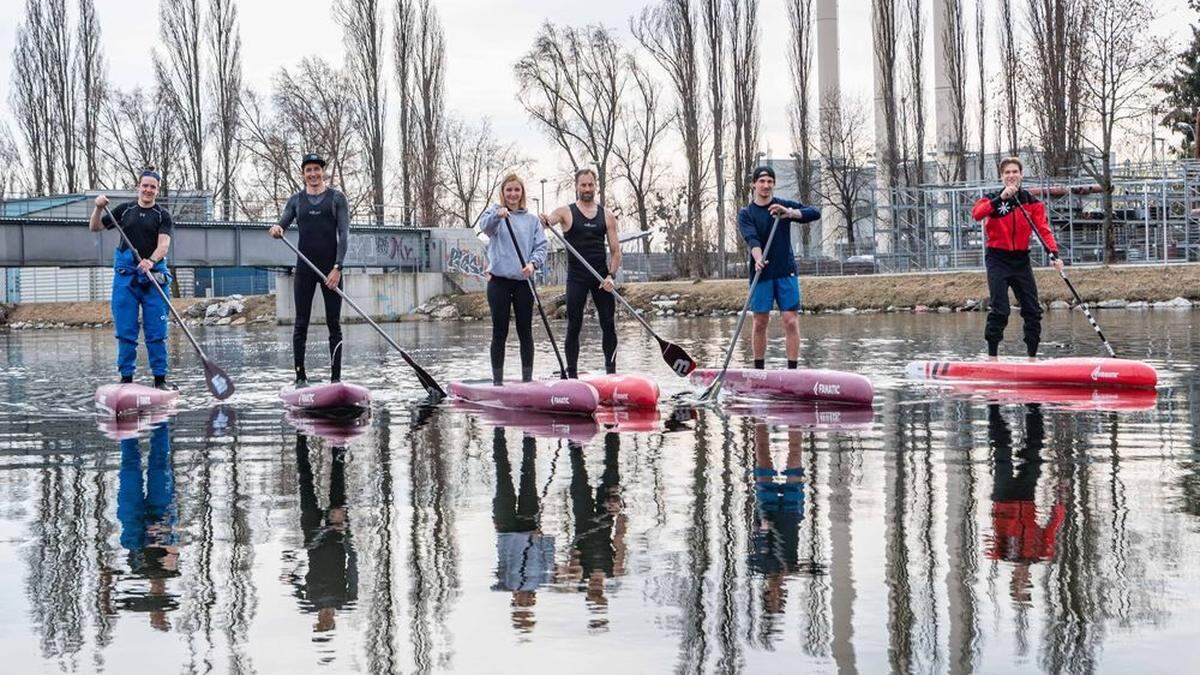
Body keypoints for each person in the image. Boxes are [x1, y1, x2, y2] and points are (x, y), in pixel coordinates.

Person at [269, 153, 351, 386]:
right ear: (303, 174)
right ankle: (300, 378)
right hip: (305, 268)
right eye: (308, 170)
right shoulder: (296, 200)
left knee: (333, 324)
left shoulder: (337, 198)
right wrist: (277, 228)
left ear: (323, 171)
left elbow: (344, 234)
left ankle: (336, 380)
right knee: (301, 323)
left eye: (317, 169)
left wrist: (338, 267)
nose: (313, 174)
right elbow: (283, 222)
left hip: (330, 270)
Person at [89, 169, 176, 390]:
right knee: (126, 330)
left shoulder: (162, 215)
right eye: (145, 185)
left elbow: (164, 245)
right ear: (139, 186)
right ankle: (126, 378)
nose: (148, 190)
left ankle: (160, 380)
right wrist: (98, 208)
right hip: (125, 279)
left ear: (157, 190)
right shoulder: (124, 210)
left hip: (153, 276)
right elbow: (94, 227)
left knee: (156, 332)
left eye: (153, 187)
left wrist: (151, 261)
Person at [971, 157, 1064, 358]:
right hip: (997, 259)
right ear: (1002, 176)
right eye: (1007, 172)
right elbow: (977, 214)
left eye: (1015, 171)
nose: (1011, 175)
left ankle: (1032, 357)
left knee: (1032, 310)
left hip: (1021, 260)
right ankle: (992, 357)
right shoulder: (991, 198)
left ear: (1021, 175)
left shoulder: (1032, 202)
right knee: (1000, 310)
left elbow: (1043, 230)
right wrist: (1001, 199)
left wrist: (1054, 254)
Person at [737, 166, 821, 370]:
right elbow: (752, 239)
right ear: (754, 184)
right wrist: (757, 259)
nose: (766, 185)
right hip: (761, 272)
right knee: (760, 322)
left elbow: (814, 213)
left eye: (770, 182)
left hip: (785, 271)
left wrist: (788, 213)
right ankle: (759, 370)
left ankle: (793, 371)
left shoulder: (782, 206)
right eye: (762, 181)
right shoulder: (746, 213)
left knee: (790, 321)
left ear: (773, 184)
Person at [540, 169, 621, 378]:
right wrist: (545, 220)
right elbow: (551, 219)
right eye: (583, 185)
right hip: (576, 278)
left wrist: (611, 275)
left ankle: (611, 374)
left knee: (608, 324)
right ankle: (572, 374)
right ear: (576, 186)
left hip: (601, 278)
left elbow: (615, 251)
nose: (587, 189)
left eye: (590, 185)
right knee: (574, 324)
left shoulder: (607, 215)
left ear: (595, 186)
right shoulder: (566, 212)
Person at [984, 404, 1066, 603]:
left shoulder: (1002, 554)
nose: (1022, 577)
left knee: (1002, 453)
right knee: (1035, 453)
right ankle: (1034, 409)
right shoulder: (1041, 553)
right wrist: (1061, 499)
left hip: (1003, 499)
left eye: (1019, 581)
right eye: (1025, 581)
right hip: (1027, 498)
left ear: (1013, 578)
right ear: (1029, 578)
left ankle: (994, 407)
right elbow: (1052, 526)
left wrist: (1000, 550)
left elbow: (988, 542)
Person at [479, 174, 549, 385]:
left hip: (523, 282)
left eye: (516, 190)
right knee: (499, 331)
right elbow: (485, 227)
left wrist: (533, 264)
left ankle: (527, 380)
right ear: (503, 192)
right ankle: (497, 382)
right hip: (499, 282)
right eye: (509, 190)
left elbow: (542, 246)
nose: (512, 194)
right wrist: (498, 216)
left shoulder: (532, 220)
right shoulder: (494, 213)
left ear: (522, 193)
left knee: (525, 331)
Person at [289, 433, 358, 633]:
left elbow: (294, 578)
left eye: (321, 622)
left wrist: (289, 577)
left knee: (305, 481)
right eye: (327, 623)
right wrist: (345, 532)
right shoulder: (346, 599)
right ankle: (339, 440)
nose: (324, 617)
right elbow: (353, 563)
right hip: (336, 533)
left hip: (312, 535)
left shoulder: (308, 603)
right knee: (338, 481)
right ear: (333, 621)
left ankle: (300, 436)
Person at [115, 421, 180, 630]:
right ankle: (160, 421)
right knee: (160, 464)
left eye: (157, 593)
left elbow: (112, 592)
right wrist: (161, 531)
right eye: (161, 592)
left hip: (133, 524)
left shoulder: (136, 568)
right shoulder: (171, 571)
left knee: (129, 466)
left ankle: (128, 423)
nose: (159, 587)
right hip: (160, 516)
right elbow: (173, 548)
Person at [491, 428, 554, 632]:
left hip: (506, 528)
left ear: (515, 601)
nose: (525, 601)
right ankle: (529, 433)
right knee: (529, 473)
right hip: (529, 529)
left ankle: (498, 430)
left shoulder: (505, 583)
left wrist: (498, 532)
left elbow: (501, 559)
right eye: (527, 606)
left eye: (522, 605)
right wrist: (542, 537)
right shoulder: (542, 580)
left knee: (503, 473)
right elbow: (548, 556)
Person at [561, 433, 626, 625]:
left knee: (578, 471)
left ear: (588, 592)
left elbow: (573, 551)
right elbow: (620, 538)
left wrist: (574, 570)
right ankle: (612, 430)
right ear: (603, 592)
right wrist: (619, 511)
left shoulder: (581, 574)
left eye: (592, 592)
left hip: (583, 518)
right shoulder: (614, 570)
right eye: (598, 592)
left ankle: (573, 434)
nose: (595, 588)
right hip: (605, 517)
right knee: (611, 472)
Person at [748, 422, 808, 616]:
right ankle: (795, 418)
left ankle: (760, 417)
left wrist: (761, 528)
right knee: (795, 456)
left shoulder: (758, 566)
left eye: (771, 596)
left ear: (765, 592)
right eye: (778, 596)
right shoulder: (790, 568)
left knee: (763, 456)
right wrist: (794, 570)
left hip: (767, 511)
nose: (775, 592)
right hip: (791, 514)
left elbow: (756, 539)